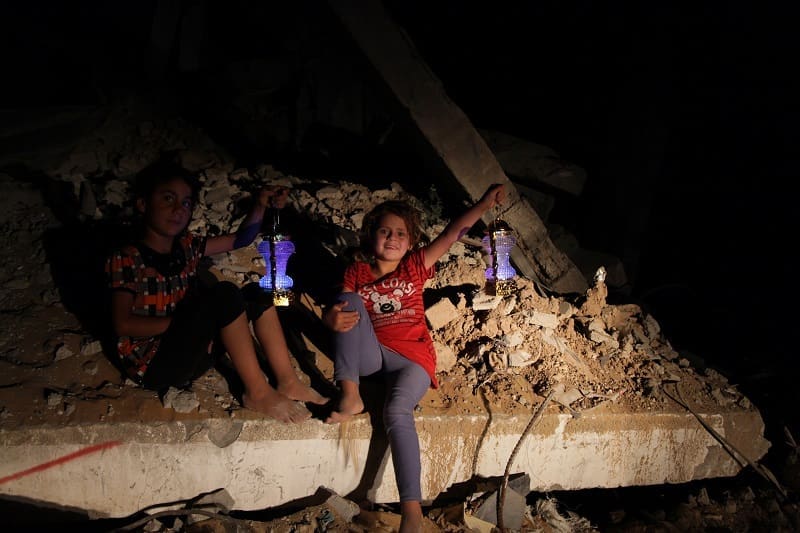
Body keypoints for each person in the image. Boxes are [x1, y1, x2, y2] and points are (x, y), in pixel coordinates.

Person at [322, 184, 506, 532]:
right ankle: (350, 395)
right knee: (348, 303)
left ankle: (412, 511)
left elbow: (452, 234)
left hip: (413, 360)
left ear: (410, 242)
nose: (392, 238)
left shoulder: (414, 266)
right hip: (373, 356)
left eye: (400, 233)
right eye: (385, 231)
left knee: (396, 411)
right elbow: (340, 310)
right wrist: (328, 317)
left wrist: (484, 204)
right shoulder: (357, 272)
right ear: (371, 236)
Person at [105, 160, 327, 423]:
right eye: (168, 198)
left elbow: (240, 239)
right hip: (156, 365)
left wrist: (259, 205)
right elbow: (123, 324)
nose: (178, 209)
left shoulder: (186, 246)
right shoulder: (128, 258)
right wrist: (186, 324)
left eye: (186, 203)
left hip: (193, 351)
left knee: (257, 294)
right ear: (143, 204)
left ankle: (287, 381)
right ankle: (257, 392)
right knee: (225, 294)